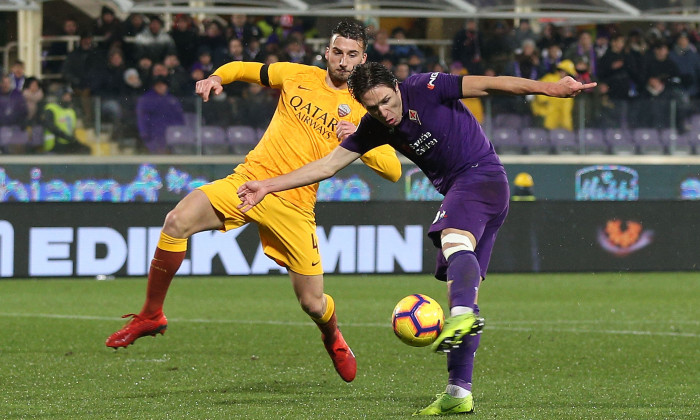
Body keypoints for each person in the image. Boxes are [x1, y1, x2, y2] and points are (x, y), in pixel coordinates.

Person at [236, 61, 595, 414]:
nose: (383, 112)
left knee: (454, 249)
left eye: (387, 102)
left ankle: (461, 315)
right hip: (471, 189)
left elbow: (490, 84)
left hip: (479, 176)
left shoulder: (427, 86)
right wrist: (268, 185)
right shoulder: (374, 126)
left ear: (396, 87)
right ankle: (458, 391)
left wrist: (550, 88)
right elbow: (326, 166)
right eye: (373, 108)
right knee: (462, 285)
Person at [105, 20, 402, 384]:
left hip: (295, 206)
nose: (343, 61)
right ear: (327, 52)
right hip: (250, 182)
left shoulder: (364, 106)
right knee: (176, 221)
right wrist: (217, 77)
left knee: (313, 303)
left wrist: (360, 140)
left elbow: (393, 171)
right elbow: (245, 69)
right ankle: (151, 314)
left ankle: (332, 336)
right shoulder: (296, 75)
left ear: (363, 58)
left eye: (351, 55)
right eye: (337, 52)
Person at [135, 76, 185, 153]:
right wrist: (145, 134)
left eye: (163, 85)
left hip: (172, 138)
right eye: (158, 85)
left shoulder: (172, 100)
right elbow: (142, 119)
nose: (161, 87)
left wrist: (180, 132)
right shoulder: (146, 99)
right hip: (154, 137)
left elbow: (179, 118)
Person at [41, 87, 91, 154]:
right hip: (54, 143)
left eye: (70, 96)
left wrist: (72, 139)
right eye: (66, 95)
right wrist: (65, 136)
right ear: (60, 96)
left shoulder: (71, 111)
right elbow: (50, 126)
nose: (69, 98)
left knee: (86, 149)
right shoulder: (51, 109)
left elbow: (72, 130)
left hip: (67, 142)